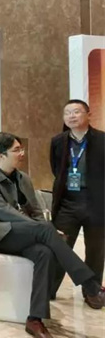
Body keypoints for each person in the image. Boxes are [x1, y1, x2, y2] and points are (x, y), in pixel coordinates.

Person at [0, 132, 105, 338]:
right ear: (0, 156)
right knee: (45, 230)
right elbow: (4, 212)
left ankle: (35, 320)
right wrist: (44, 229)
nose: (22, 153)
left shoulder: (22, 178)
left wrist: (44, 227)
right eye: (16, 150)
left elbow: (35, 211)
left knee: (44, 252)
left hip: (23, 232)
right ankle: (91, 286)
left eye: (21, 148)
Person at [50, 99, 105, 307]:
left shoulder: (102, 139)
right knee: (60, 247)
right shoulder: (58, 141)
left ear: (88, 115)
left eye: (76, 112)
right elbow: (56, 169)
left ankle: (92, 292)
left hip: (96, 202)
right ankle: (49, 289)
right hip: (68, 203)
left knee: (96, 250)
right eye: (67, 113)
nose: (71, 116)